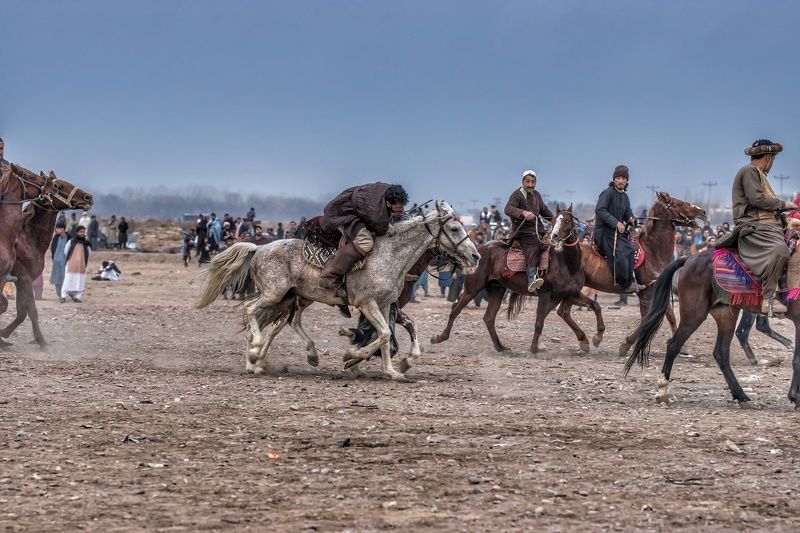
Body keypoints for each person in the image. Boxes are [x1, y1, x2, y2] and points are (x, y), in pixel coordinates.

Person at [716, 139, 796, 315]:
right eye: (773, 159)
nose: (772, 164)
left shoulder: (759, 174)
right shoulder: (749, 171)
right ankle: (768, 298)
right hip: (754, 226)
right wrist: (784, 204)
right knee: (781, 250)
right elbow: (757, 200)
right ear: (768, 157)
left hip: (767, 224)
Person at [318, 182, 408, 298]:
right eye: (399, 207)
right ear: (388, 203)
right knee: (366, 242)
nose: (403, 210)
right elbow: (381, 228)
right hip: (342, 214)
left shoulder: (388, 191)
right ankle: (328, 277)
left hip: (357, 213)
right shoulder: (376, 212)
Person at [594, 165, 642, 293]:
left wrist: (632, 218)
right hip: (604, 232)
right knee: (621, 252)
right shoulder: (608, 193)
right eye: (618, 178)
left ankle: (630, 281)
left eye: (623, 178)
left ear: (627, 181)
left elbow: (628, 213)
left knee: (631, 249)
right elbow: (600, 210)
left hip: (616, 233)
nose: (620, 181)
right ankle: (624, 284)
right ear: (614, 179)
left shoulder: (625, 197)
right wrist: (616, 223)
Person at [504, 169, 554, 292]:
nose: (530, 185)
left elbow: (545, 211)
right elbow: (508, 209)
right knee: (535, 247)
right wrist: (522, 212)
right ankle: (531, 279)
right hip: (523, 233)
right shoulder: (517, 194)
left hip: (538, 230)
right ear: (523, 182)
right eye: (527, 181)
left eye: (533, 182)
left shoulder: (537, 195)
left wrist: (555, 220)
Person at [61, 225, 91, 302]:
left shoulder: (86, 243)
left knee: (80, 281)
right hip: (71, 264)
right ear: (77, 232)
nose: (82, 233)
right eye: (81, 232)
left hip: (81, 265)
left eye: (83, 232)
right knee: (68, 280)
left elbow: (89, 253)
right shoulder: (71, 241)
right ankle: (63, 296)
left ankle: (76, 297)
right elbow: (66, 251)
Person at [49, 222, 69, 302]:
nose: (57, 230)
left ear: (63, 229)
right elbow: (52, 248)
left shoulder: (69, 237)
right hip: (56, 261)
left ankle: (64, 294)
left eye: (58, 228)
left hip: (65, 262)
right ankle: (60, 295)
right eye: (56, 228)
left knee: (64, 278)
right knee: (57, 278)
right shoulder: (55, 238)